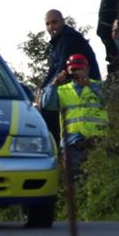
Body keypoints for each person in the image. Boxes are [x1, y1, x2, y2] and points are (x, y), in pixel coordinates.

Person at [41, 53, 108, 178]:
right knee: (75, 180)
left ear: (87, 69)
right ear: (68, 71)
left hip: (97, 140)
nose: (76, 72)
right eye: (73, 70)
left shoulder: (99, 86)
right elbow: (47, 104)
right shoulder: (61, 90)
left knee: (100, 178)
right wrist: (54, 84)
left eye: (79, 69)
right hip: (71, 143)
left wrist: (90, 85)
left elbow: (110, 99)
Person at [40, 9, 101, 146]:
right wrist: (41, 90)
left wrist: (47, 89)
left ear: (63, 22)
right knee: (45, 102)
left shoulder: (69, 39)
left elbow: (62, 70)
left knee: (48, 109)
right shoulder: (57, 42)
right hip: (73, 86)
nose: (51, 27)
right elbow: (52, 71)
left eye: (54, 22)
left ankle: (57, 148)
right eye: (48, 24)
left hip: (87, 86)